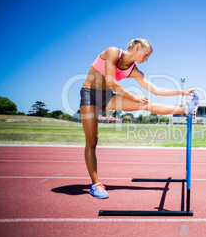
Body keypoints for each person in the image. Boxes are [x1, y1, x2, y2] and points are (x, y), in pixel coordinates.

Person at [80, 38, 199, 199]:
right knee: (92, 140)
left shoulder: (134, 71)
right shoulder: (113, 52)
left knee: (146, 103)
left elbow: (155, 90)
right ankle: (96, 184)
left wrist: (181, 92)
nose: (146, 59)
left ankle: (185, 109)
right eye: (146, 55)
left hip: (106, 96)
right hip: (90, 94)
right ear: (137, 48)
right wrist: (132, 96)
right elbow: (110, 81)